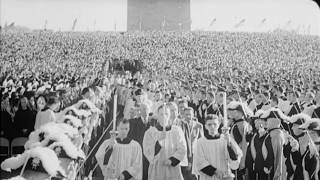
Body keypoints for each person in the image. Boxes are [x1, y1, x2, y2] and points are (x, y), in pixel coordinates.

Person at [143, 104, 187, 180]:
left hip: (173, 168)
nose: (164, 116)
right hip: (157, 168)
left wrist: (172, 160)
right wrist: (159, 140)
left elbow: (182, 148)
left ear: (169, 115)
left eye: (166, 114)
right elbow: (147, 150)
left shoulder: (176, 131)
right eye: (161, 114)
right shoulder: (150, 132)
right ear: (157, 115)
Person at [195, 114, 242, 180]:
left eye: (215, 124)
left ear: (219, 125)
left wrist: (229, 145)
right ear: (205, 126)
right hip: (207, 176)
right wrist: (215, 171)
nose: (212, 127)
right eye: (209, 124)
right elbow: (200, 161)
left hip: (224, 175)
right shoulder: (200, 142)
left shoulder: (226, 139)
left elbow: (235, 159)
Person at [177, 107, 203, 180]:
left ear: (193, 114)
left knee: (193, 177)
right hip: (183, 155)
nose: (188, 116)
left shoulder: (199, 126)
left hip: (195, 156)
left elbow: (201, 141)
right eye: (186, 114)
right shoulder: (180, 125)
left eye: (190, 114)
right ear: (183, 115)